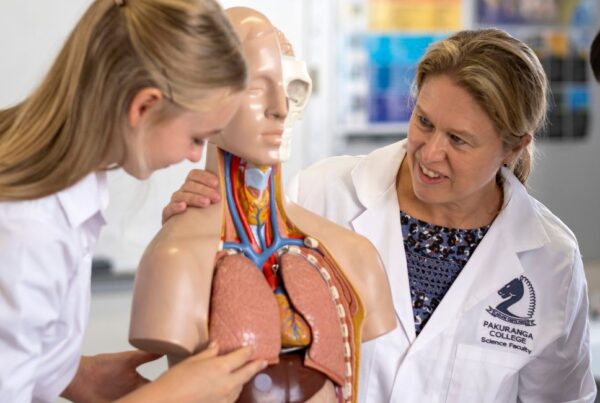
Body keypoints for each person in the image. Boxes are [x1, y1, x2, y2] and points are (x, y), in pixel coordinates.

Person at [165, 28, 597, 402]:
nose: (430, 153)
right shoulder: (321, 194)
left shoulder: (551, 259)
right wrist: (200, 240)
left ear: (513, 147)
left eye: (459, 141)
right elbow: (228, 331)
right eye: (424, 121)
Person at [0, 0, 268, 402]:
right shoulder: (27, 231)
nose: (197, 156)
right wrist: (171, 396)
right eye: (197, 137)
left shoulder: (69, 182)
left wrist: (75, 374)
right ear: (144, 106)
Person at [129, 7, 396, 403]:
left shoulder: (354, 257)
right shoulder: (177, 257)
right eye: (256, 86)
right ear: (206, 98)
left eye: (292, 89)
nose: (280, 108)